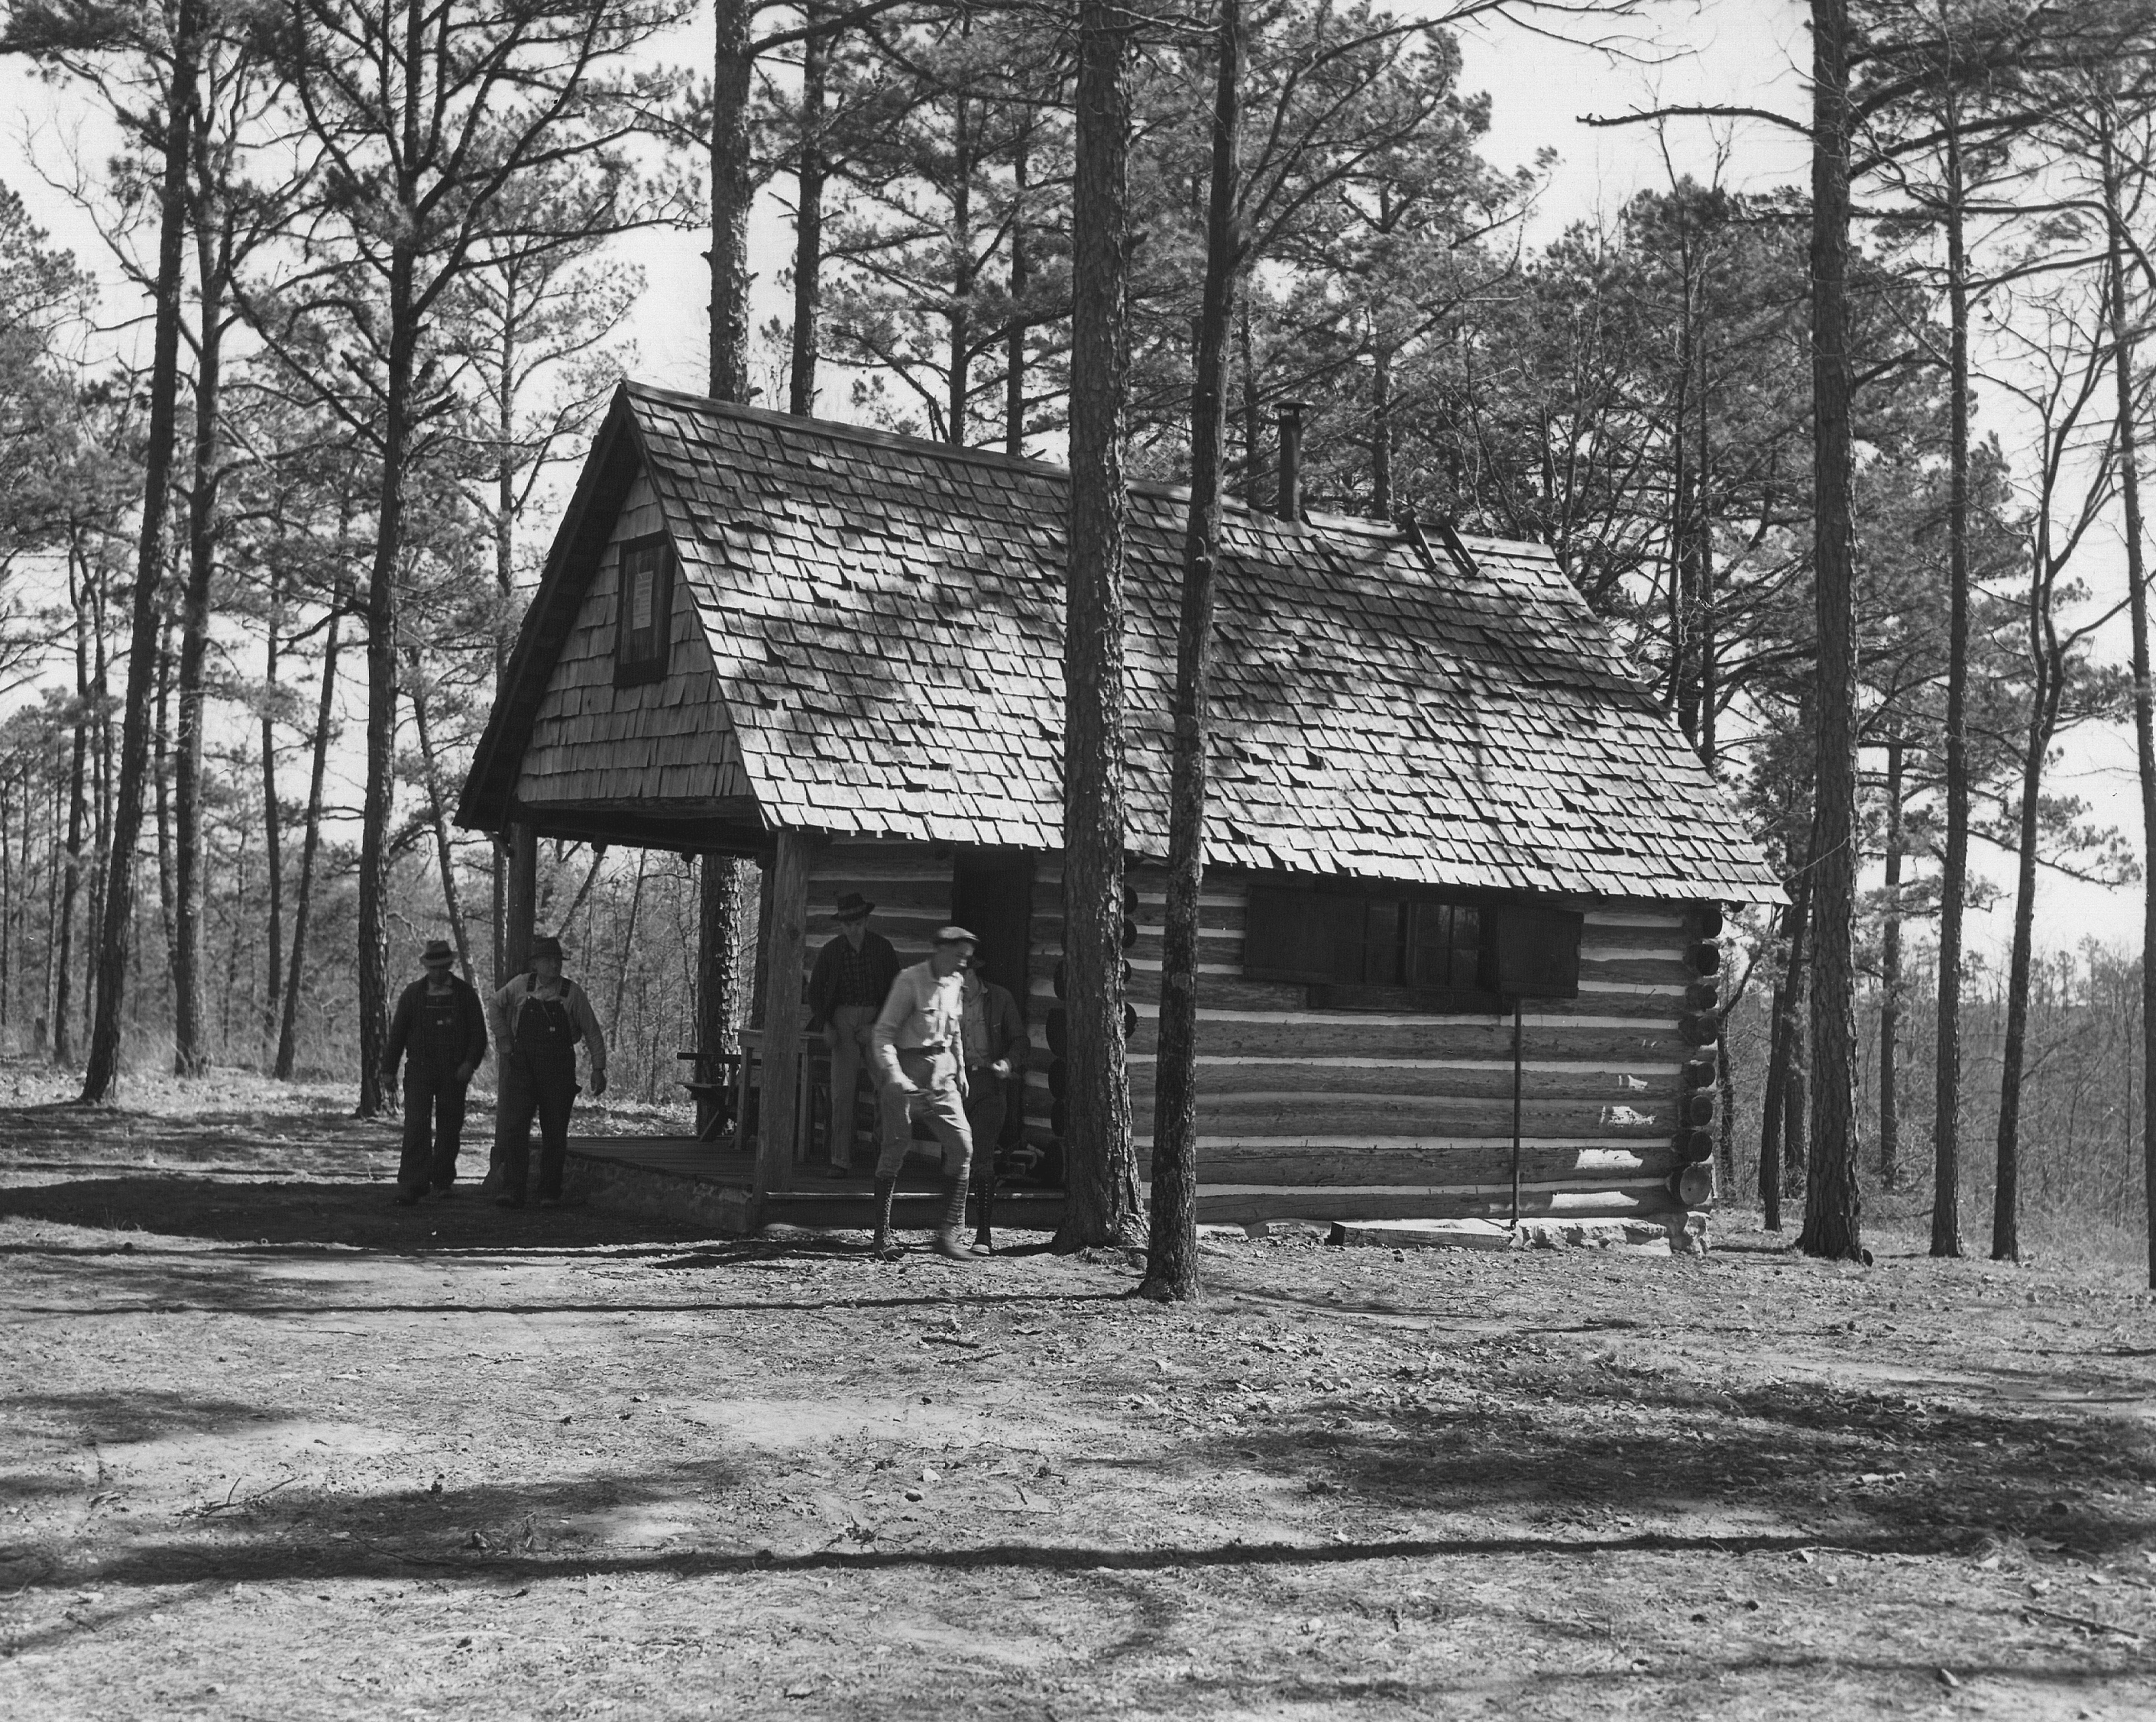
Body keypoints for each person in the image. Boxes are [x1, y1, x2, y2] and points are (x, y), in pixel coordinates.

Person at [868, 925, 980, 1262]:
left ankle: (945, 1235)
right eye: (958, 955)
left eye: (967, 958)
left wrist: (960, 1068)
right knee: (896, 1146)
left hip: (942, 1074)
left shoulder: (956, 983)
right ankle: (882, 1235)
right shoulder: (910, 980)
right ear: (940, 950)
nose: (963, 963)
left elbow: (954, 1029)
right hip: (906, 1068)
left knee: (962, 1147)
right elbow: (883, 1034)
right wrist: (896, 1076)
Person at [487, 935, 607, 1210]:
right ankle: (513, 1189)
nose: (555, 966)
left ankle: (549, 1192)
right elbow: (494, 1004)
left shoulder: (571, 993)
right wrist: (504, 1040)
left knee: (554, 1131)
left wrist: (598, 1068)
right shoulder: (520, 985)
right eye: (549, 961)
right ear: (536, 964)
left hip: (558, 1069)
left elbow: (592, 1031)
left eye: (558, 961)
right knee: (515, 1127)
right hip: (523, 1068)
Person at [381, 938, 488, 1206]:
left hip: (454, 1071)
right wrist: (388, 1070)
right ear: (427, 966)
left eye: (443, 967)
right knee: (416, 1125)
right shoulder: (413, 994)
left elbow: (479, 1035)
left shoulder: (465, 994)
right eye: (434, 967)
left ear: (449, 965)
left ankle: (442, 1182)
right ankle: (412, 1184)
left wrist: (469, 1064)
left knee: (449, 1126)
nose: (438, 972)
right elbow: (397, 1036)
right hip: (419, 1069)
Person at [805, 892, 901, 1177]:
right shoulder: (832, 951)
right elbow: (814, 991)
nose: (853, 928)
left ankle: (884, 1155)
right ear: (841, 925)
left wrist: (877, 1026)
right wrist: (827, 1024)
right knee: (842, 1094)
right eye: (847, 924)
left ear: (866, 920)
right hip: (842, 1020)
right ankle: (840, 1160)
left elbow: (896, 992)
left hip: (876, 1019)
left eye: (857, 922)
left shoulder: (882, 949)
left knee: (887, 1087)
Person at [958, 955, 1029, 1251]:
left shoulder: (1000, 998)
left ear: (974, 973)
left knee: (983, 1156)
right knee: (957, 1154)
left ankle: (983, 1235)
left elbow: (1020, 1040)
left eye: (964, 975)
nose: (959, 982)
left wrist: (1008, 1062)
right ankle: (953, 1230)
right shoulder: (946, 1001)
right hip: (957, 1083)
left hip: (989, 1083)